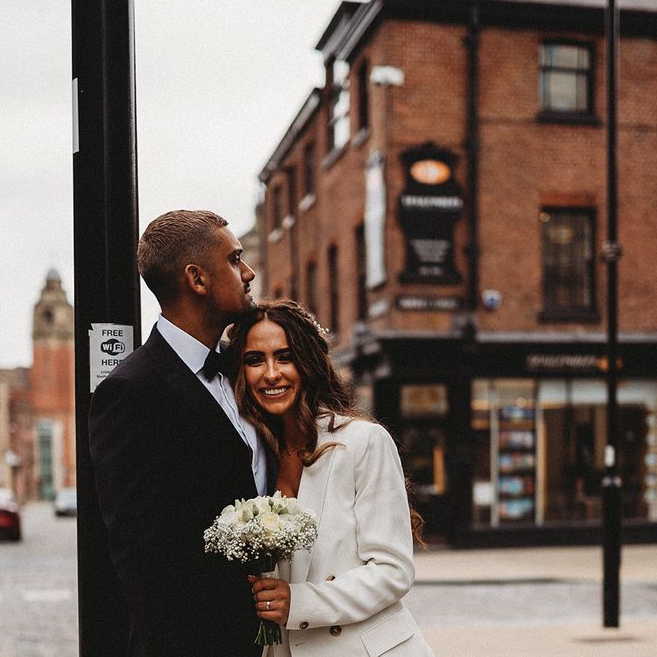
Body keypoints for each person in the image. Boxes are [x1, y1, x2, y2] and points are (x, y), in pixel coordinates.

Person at [89, 210, 275, 656]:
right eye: (235, 260)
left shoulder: (246, 366)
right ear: (197, 278)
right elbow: (142, 563)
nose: (249, 273)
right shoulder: (131, 393)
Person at [228, 299, 434, 656]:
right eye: (255, 360)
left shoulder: (362, 442)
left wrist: (300, 602)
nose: (271, 373)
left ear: (307, 363)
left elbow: (392, 570)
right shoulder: (255, 456)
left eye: (285, 356)